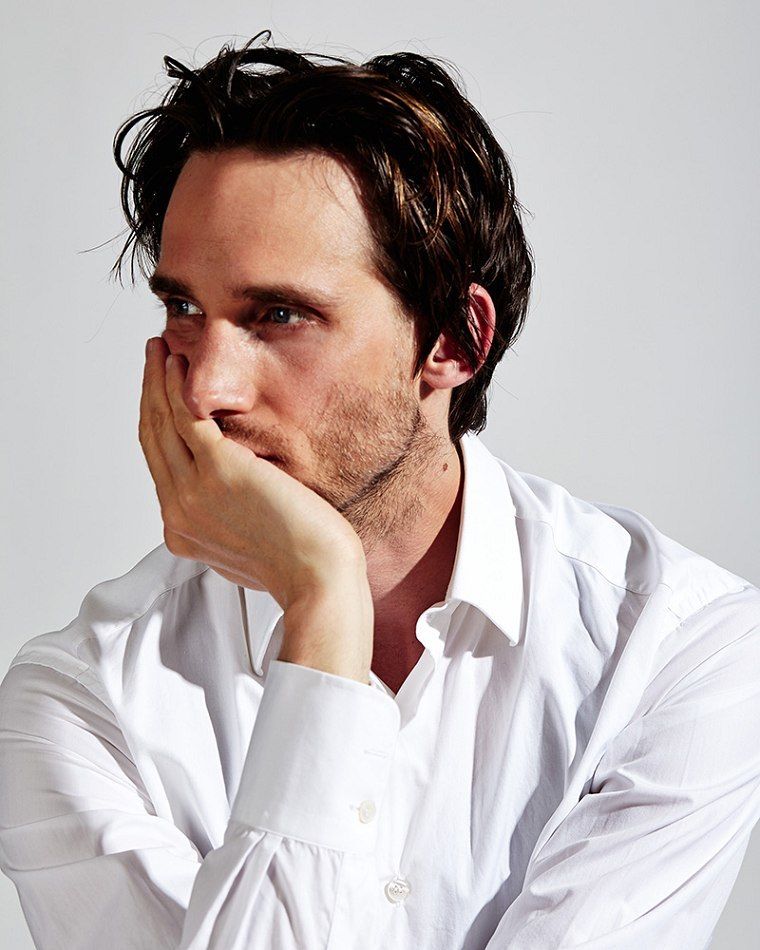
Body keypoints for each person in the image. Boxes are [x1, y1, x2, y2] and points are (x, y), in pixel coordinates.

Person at [1, 30, 759, 950]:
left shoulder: (677, 653)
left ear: (454, 340)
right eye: (184, 308)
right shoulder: (81, 706)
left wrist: (317, 598)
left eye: (279, 315)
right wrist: (323, 608)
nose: (205, 390)